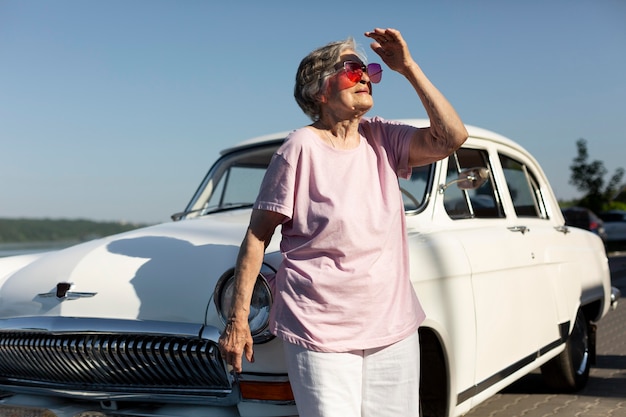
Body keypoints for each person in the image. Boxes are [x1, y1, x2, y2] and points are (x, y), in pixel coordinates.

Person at [218, 27, 468, 417]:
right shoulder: (299, 148)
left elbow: (451, 138)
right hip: (320, 328)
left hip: (392, 326)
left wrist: (408, 68)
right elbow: (257, 235)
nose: (366, 75)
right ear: (319, 91)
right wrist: (239, 320)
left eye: (369, 69)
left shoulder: (382, 137)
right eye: (352, 69)